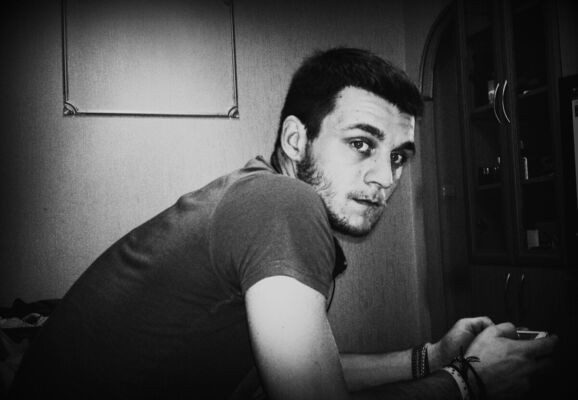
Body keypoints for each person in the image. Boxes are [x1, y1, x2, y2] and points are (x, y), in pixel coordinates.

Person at [8, 47, 557, 399]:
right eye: (361, 144)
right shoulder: (281, 202)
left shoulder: (253, 196)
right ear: (297, 140)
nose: (386, 177)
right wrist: (471, 381)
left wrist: (432, 358)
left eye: (398, 156)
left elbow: (296, 372)